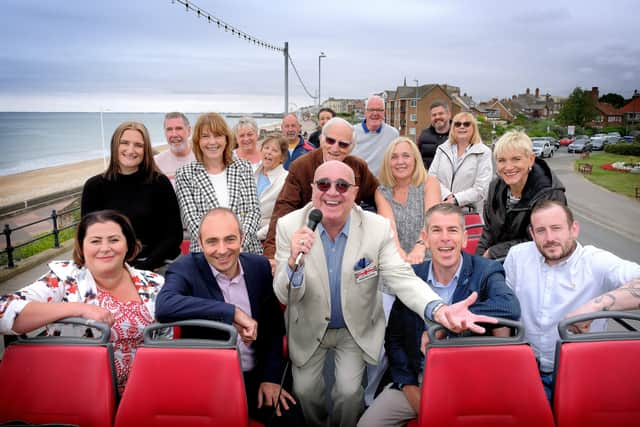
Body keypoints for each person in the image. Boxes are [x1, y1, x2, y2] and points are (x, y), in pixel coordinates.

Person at [273, 160, 498, 427]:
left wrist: (438, 309)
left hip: (353, 326)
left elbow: (401, 277)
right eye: (324, 184)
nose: (332, 192)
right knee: (306, 391)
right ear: (312, 190)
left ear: (355, 193)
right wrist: (292, 266)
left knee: (348, 392)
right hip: (308, 324)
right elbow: (284, 294)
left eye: (342, 185)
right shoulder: (290, 226)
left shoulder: (376, 227)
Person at [358, 203, 521, 427]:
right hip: (418, 379)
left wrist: (451, 322)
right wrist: (408, 386)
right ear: (424, 238)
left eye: (452, 230)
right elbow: (394, 341)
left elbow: (509, 306)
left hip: (470, 382)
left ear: (464, 238)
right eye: (436, 230)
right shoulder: (411, 279)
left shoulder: (485, 271)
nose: (445, 238)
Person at [155, 208, 305, 426]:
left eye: (230, 239)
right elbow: (164, 306)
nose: (222, 250)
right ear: (200, 242)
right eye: (212, 241)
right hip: (209, 383)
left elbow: (273, 328)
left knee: (291, 419)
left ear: (242, 239)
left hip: (256, 376)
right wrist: (231, 311)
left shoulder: (258, 266)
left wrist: (271, 377)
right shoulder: (185, 269)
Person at [0, 210, 166, 395]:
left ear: (128, 244)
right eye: (95, 241)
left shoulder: (153, 282)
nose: (105, 248)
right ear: (81, 246)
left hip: (145, 389)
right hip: (79, 391)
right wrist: (77, 309)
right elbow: (3, 310)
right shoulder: (64, 279)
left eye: (114, 240)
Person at [504, 200, 640, 400]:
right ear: (532, 234)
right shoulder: (518, 256)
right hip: (525, 370)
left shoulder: (595, 261)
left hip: (581, 372)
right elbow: (506, 307)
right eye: (541, 231)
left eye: (556, 228)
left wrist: (596, 305)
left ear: (573, 229)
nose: (549, 238)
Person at [262, 117, 379, 260]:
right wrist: (271, 254)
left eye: (343, 144)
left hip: (346, 242)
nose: (335, 148)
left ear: (350, 148)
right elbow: (284, 208)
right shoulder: (301, 167)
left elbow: (378, 196)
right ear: (322, 140)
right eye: (330, 141)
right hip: (309, 240)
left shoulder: (358, 168)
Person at [81, 121, 182, 271]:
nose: (131, 150)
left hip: (156, 265)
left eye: (138, 145)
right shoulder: (94, 186)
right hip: (110, 267)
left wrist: (145, 267)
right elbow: (87, 236)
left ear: (145, 150)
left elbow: (174, 234)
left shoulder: (159, 183)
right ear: (115, 145)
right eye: (125, 143)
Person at [175, 112, 261, 254]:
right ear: (197, 141)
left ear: (226, 139)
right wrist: (219, 249)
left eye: (218, 135)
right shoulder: (185, 175)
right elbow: (193, 221)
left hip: (246, 251)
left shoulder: (243, 167)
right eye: (205, 136)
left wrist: (237, 245)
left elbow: (253, 211)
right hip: (206, 255)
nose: (212, 142)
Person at [477, 130, 566, 260]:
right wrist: (477, 261)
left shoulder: (549, 194)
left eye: (516, 159)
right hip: (499, 260)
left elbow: (539, 240)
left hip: (539, 262)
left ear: (530, 160)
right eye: (502, 160)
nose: (508, 167)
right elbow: (488, 230)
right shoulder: (495, 187)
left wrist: (493, 253)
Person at [376, 136, 442, 264]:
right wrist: (397, 251)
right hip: (395, 257)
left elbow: (432, 219)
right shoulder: (381, 191)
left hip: (428, 256)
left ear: (415, 159)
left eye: (406, 156)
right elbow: (389, 226)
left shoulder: (430, 183)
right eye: (394, 157)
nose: (400, 161)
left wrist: (420, 246)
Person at [428, 112, 493, 216]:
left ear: (474, 128)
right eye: (457, 124)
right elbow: (432, 178)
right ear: (453, 128)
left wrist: (456, 199)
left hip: (469, 214)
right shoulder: (442, 149)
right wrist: (447, 196)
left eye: (466, 124)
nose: (462, 127)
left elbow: (482, 188)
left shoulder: (484, 152)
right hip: (442, 210)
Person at [352, 95, 399, 175]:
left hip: (381, 184)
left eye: (379, 110)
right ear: (365, 112)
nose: (375, 113)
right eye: (371, 110)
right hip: (357, 182)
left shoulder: (393, 134)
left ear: (384, 113)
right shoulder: (352, 132)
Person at [255, 134, 289, 241]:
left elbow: (282, 217)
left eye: (274, 150)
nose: (269, 152)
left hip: (266, 238)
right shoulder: (250, 171)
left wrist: (256, 236)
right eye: (266, 148)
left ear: (282, 158)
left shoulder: (286, 179)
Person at [154, 112, 196, 188]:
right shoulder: (156, 163)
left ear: (189, 131)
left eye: (179, 128)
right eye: (169, 129)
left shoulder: (201, 159)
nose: (174, 134)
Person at [416, 101, 452, 169]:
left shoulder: (458, 135)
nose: (437, 117)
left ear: (449, 115)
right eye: (434, 115)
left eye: (441, 114)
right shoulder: (423, 136)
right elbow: (417, 159)